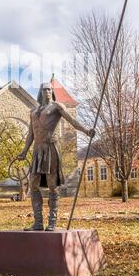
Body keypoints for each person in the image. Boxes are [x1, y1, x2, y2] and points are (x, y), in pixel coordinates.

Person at [18, 82, 95, 231]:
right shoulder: (33, 112)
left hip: (51, 149)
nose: (47, 91)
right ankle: (38, 223)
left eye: (49, 89)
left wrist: (86, 131)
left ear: (52, 92)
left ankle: (52, 222)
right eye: (44, 89)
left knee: (52, 186)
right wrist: (24, 151)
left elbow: (72, 121)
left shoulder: (57, 107)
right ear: (40, 92)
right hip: (37, 150)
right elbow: (30, 134)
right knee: (33, 184)